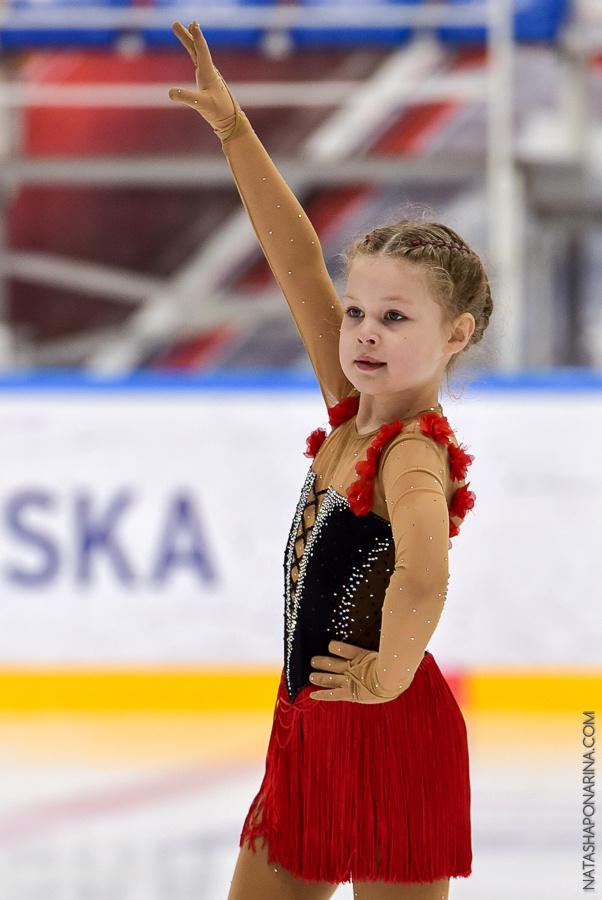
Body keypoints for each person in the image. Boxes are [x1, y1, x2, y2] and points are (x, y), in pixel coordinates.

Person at [169, 21, 493, 900]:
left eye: (396, 318)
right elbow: (295, 259)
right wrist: (235, 130)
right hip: (309, 723)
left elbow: (424, 575)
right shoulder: (350, 418)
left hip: (387, 729)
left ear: (455, 336)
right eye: (358, 314)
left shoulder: (411, 455)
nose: (364, 333)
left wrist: (388, 676)